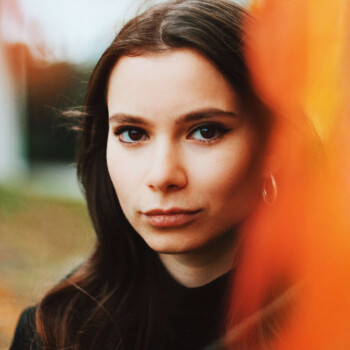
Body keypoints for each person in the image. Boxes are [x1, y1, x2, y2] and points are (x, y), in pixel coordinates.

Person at [10, 0, 273, 349]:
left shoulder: (326, 317)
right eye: (133, 133)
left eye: (206, 131)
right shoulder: (51, 333)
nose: (163, 175)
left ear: (274, 143)